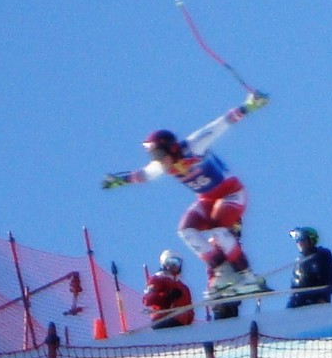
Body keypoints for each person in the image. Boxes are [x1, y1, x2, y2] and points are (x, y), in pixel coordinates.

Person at [102, 93, 268, 295]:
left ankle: (246, 275)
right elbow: (144, 175)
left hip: (231, 194)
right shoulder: (163, 165)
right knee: (186, 230)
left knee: (218, 226)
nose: (158, 160)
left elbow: (220, 125)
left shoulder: (193, 147)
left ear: (171, 149)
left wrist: (249, 105)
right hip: (207, 199)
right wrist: (120, 180)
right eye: (154, 156)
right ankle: (222, 271)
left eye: (159, 155)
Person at [286, 226, 332, 309]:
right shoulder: (299, 260)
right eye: (297, 240)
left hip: (314, 300)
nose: (298, 243)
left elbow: (330, 278)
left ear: (310, 241)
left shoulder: (322, 255)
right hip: (296, 299)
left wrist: (322, 296)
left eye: (302, 240)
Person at [140, 251, 195, 329]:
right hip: (164, 319)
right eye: (170, 262)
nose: (173, 266)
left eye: (176, 263)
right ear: (164, 264)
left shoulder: (183, 287)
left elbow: (189, 307)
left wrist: (189, 320)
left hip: (182, 323)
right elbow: (147, 299)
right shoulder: (158, 279)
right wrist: (167, 297)